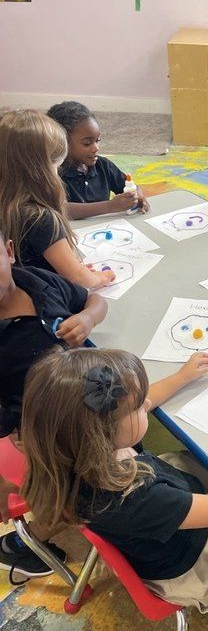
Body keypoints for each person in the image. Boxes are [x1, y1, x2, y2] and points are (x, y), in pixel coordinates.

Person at [21, 347, 208, 612]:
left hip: (163, 520)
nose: (148, 404)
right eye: (139, 407)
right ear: (101, 432)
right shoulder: (132, 497)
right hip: (191, 558)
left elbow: (135, 403)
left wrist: (182, 377)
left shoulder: (74, 451)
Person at [0, 227, 108, 580]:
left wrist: (88, 318)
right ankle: (22, 543)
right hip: (43, 430)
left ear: (10, 251)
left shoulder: (36, 281)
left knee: (128, 440)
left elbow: (93, 299)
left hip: (85, 396)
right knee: (89, 491)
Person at [0, 110, 115, 290]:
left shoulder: (7, 202)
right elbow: (79, 279)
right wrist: (101, 277)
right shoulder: (40, 217)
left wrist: (77, 270)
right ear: (43, 169)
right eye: (57, 166)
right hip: (43, 301)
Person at [47, 101, 149, 220]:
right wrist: (110, 206)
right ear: (61, 143)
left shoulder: (103, 165)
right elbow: (61, 209)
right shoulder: (54, 172)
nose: (96, 148)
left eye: (97, 140)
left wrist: (139, 196)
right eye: (87, 143)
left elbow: (131, 186)